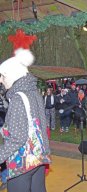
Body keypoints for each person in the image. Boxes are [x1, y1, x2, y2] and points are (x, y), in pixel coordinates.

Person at [0, 48, 50, 191]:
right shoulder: (34, 92)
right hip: (37, 158)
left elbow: (18, 138)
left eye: (3, 76)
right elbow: (39, 125)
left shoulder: (17, 98)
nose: (1, 80)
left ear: (12, 75)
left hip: (21, 163)